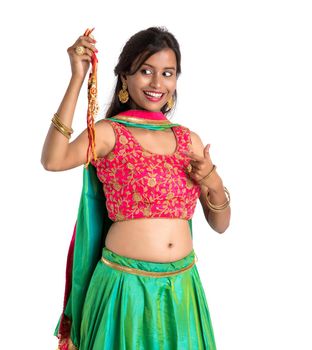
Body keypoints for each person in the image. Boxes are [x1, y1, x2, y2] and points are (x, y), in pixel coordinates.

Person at [41, 26, 231, 350]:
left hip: (181, 291)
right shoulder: (109, 133)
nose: (157, 84)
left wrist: (212, 180)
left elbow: (221, 225)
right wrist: (77, 77)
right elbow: (53, 159)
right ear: (125, 78)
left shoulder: (189, 140)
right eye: (146, 71)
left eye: (167, 73)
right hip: (123, 290)